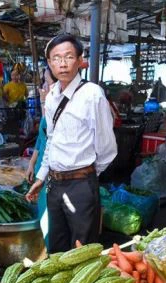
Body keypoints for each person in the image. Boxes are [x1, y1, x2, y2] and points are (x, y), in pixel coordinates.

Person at [26, 34, 117, 253]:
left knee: (82, 251)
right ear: (49, 63)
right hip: (54, 185)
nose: (63, 63)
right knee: (57, 250)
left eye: (68, 57)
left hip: (81, 184)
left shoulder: (92, 94)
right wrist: (42, 176)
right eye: (56, 58)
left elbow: (107, 148)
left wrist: (86, 176)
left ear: (79, 60)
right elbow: (51, 141)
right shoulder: (52, 96)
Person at [25, 67, 57, 248]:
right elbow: (41, 138)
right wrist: (31, 163)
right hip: (41, 171)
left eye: (47, 82)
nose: (43, 87)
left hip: (50, 174)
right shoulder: (48, 107)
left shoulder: (58, 109)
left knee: (49, 220)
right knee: (44, 217)